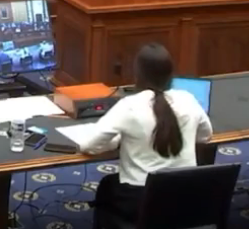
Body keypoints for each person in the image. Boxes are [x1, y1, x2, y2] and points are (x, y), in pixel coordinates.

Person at [80, 43, 212, 228]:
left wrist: (119, 140)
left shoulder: (130, 105)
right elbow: (205, 136)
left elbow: (89, 145)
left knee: (107, 187)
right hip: (183, 196)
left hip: (139, 199)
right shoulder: (187, 99)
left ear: (137, 74)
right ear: (170, 74)